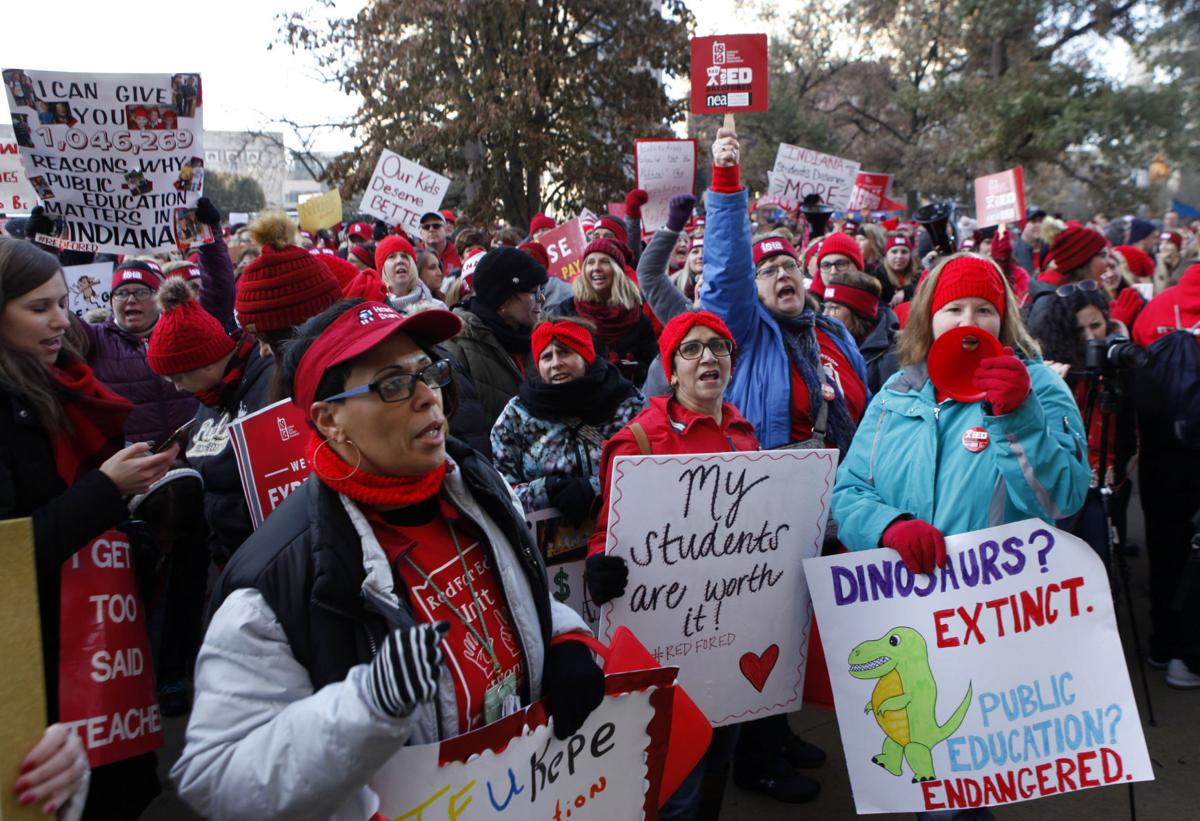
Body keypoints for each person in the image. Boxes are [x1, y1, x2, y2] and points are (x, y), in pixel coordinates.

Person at [171, 300, 604, 818]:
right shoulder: (272, 581)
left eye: (430, 372)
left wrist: (564, 638)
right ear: (330, 420)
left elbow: (517, 591)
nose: (429, 398)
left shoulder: (476, 482)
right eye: (392, 384)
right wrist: (367, 707)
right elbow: (215, 776)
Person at [0, 238, 178, 818]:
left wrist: (133, 529)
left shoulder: (62, 382)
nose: (61, 321)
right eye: (38, 308)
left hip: (90, 649)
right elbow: (11, 556)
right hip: (34, 667)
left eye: (62, 303)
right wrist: (106, 490)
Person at [587, 311, 789, 816]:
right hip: (666, 643)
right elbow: (603, 534)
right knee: (678, 785)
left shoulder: (743, 432)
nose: (709, 358)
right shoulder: (639, 441)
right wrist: (600, 567)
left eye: (719, 347)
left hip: (731, 639)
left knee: (721, 754)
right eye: (692, 349)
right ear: (672, 369)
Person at [833, 252, 1090, 567]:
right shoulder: (897, 391)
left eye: (983, 310)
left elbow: (1061, 499)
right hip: (904, 601)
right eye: (954, 309)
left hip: (997, 596)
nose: (968, 322)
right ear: (930, 317)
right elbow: (849, 489)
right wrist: (887, 526)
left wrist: (1018, 416)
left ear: (1002, 319)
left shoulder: (1038, 386)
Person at [699, 127, 869, 452]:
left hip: (848, 490)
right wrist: (725, 179)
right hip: (775, 491)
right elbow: (726, 273)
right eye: (768, 271)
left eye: (789, 266)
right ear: (751, 287)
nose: (782, 275)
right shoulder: (745, 334)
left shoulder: (835, 334)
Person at [490, 317, 645, 529]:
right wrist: (548, 490)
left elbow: (649, 474)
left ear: (586, 357)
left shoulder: (628, 404)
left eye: (564, 352)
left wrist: (594, 488)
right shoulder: (516, 415)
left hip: (623, 533)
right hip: (549, 549)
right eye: (546, 357)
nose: (556, 363)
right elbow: (503, 490)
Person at [1130, 261, 1200, 688]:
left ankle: (1161, 642)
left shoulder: (1156, 307)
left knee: (1165, 547)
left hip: (1160, 454)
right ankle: (1188, 657)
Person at [441, 246, 548, 426]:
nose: (542, 298)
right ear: (503, 299)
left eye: (542, 289)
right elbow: (466, 430)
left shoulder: (543, 335)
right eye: (534, 291)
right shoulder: (458, 348)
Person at [554, 237, 658, 385]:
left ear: (617, 271)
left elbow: (652, 365)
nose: (596, 267)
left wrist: (634, 368)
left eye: (604, 261)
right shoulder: (566, 311)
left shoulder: (637, 318)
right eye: (590, 262)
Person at [821, 269, 900, 393]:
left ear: (859, 313)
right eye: (825, 307)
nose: (825, 315)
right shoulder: (826, 342)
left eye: (834, 308)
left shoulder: (892, 352)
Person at [376, 234, 446, 310]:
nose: (400, 260)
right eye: (392, 257)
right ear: (383, 268)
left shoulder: (438, 308)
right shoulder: (375, 310)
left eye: (405, 256)